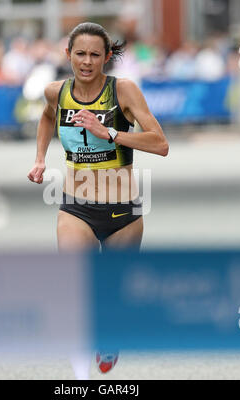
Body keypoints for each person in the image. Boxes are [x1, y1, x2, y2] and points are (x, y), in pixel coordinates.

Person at [28, 22, 169, 379]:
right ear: (68, 55)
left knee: (113, 295)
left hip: (124, 213)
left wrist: (110, 132)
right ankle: (81, 378)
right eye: (80, 54)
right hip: (76, 207)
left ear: (107, 57)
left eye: (94, 54)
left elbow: (160, 144)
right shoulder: (55, 92)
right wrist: (41, 158)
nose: (87, 62)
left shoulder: (124, 91)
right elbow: (47, 118)